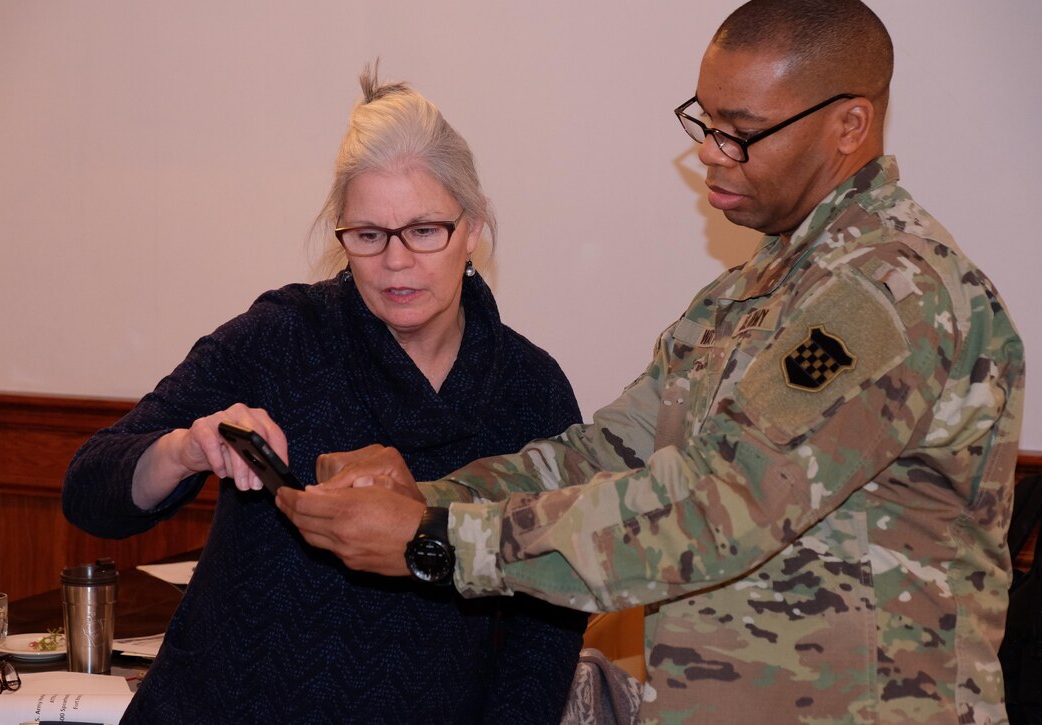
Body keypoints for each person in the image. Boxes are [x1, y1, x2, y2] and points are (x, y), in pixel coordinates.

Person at [275, 2, 1026, 723]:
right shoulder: (746, 294)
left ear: (849, 126)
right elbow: (606, 454)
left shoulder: (891, 292)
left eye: (742, 132)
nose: (708, 150)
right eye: (705, 121)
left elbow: (719, 504)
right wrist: (426, 493)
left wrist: (437, 538)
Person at [62, 66, 587, 724]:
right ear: (340, 232)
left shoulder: (530, 391)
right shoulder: (279, 339)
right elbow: (89, 489)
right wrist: (185, 448)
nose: (396, 261)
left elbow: (548, 627)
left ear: (473, 227)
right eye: (367, 236)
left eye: (424, 230)